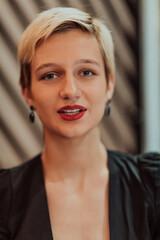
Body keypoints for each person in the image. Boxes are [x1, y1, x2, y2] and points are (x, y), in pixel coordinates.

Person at [0, 7, 159, 240]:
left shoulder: (153, 185)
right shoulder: (4, 200)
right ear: (27, 92)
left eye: (86, 72)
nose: (70, 91)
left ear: (109, 84)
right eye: (50, 75)